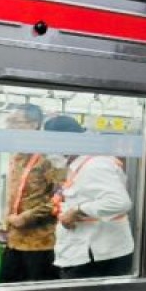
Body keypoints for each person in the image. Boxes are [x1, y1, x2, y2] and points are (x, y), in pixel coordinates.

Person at [42, 115, 133, 278]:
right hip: (86, 251)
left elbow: (119, 202)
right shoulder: (80, 164)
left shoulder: (95, 165)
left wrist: (77, 211)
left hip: (98, 256)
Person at [0, 103, 61, 282]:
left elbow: (63, 196)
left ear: (34, 125)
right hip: (13, 242)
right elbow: (14, 195)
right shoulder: (16, 155)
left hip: (40, 244)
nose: (10, 127)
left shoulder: (50, 156)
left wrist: (29, 216)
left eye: (16, 122)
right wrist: (3, 225)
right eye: (9, 121)